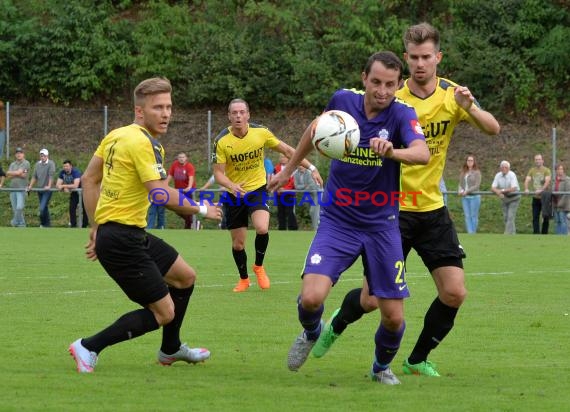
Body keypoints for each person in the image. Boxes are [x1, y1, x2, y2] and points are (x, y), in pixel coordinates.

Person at [311, 23, 501, 377]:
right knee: (371, 300)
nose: (420, 64)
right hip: (391, 212)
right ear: (404, 59)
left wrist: (470, 107)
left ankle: (416, 358)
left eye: (426, 57)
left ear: (438, 57)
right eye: (413, 57)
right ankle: (337, 322)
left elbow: (493, 128)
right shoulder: (393, 97)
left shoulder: (452, 95)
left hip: (431, 208)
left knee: (455, 292)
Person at [269, 51, 429, 384]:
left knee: (392, 317)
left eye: (389, 84)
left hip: (381, 226)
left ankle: (380, 368)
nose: (382, 91)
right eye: (376, 82)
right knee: (311, 298)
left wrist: (392, 151)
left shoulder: (402, 115)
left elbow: (422, 153)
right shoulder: (343, 101)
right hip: (338, 220)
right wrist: (287, 171)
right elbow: (315, 131)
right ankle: (313, 331)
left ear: (399, 85)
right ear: (364, 79)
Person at [68, 77, 222, 373]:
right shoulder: (143, 143)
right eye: (158, 108)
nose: (166, 114)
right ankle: (88, 346)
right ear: (140, 111)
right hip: (122, 240)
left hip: (126, 233)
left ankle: (170, 349)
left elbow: (89, 179)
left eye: (169, 107)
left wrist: (96, 225)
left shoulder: (116, 135)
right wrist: (202, 207)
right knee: (164, 313)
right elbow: (160, 193)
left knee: (185, 276)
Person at [212, 98, 321, 293]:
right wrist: (231, 185)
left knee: (262, 228)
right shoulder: (221, 141)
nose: (238, 116)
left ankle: (259, 266)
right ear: (229, 116)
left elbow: (288, 151)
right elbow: (218, 173)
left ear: (248, 114)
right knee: (238, 244)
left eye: (241, 112)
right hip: (233, 193)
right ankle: (244, 279)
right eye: (234, 113)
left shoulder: (260, 133)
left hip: (257, 189)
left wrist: (311, 167)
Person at [27, 148, 56, 227]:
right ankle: (47, 224)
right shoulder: (37, 164)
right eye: (41, 155)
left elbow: (51, 176)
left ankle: (43, 223)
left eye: (44, 155)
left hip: (47, 190)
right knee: (44, 207)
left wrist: (49, 186)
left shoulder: (51, 163)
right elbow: (34, 177)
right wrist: (30, 186)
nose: (42, 157)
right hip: (39, 189)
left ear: (47, 156)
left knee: (42, 208)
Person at [524, 154, 552, 234]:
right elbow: (527, 180)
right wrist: (526, 188)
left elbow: (547, 181)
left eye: (539, 159)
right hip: (535, 198)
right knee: (535, 217)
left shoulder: (546, 170)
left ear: (542, 160)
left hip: (544, 197)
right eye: (536, 159)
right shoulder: (532, 170)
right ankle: (536, 234)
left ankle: (544, 234)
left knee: (545, 216)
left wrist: (541, 190)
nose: (537, 161)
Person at [167, 151, 196, 229]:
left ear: (186, 158)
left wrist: (189, 187)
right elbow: (170, 175)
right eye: (180, 157)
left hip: (188, 191)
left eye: (183, 157)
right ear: (177, 158)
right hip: (178, 191)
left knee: (187, 209)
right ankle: (192, 222)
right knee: (177, 209)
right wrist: (165, 184)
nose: (181, 159)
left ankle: (188, 226)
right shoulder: (174, 165)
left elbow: (191, 177)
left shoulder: (189, 166)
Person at [56, 160, 89, 228]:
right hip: (74, 192)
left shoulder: (75, 172)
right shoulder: (62, 173)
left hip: (83, 191)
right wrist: (63, 188)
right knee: (72, 208)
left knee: (85, 209)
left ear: (71, 166)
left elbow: (75, 185)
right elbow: (58, 185)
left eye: (67, 166)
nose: (65, 168)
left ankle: (84, 226)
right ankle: (73, 225)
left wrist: (63, 186)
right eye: (64, 166)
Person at [491, 160, 521, 234]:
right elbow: (493, 187)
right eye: (502, 167)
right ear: (500, 168)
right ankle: (513, 234)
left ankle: (506, 234)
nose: (504, 169)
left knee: (510, 216)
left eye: (506, 167)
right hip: (505, 198)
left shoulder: (512, 175)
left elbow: (513, 188)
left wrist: (501, 191)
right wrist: (498, 192)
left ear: (509, 168)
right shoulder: (498, 175)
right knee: (506, 217)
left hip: (514, 197)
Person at [5, 147, 30, 227]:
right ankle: (22, 224)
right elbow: (8, 175)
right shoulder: (13, 164)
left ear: (23, 154)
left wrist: (14, 173)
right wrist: (17, 173)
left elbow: (24, 175)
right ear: (15, 155)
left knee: (19, 207)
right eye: (17, 153)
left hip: (21, 189)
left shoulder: (26, 163)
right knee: (15, 209)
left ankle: (14, 222)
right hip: (12, 189)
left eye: (20, 153)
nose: (19, 154)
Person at [458, 154, 482, 233]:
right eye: (468, 160)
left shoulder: (477, 172)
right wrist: (460, 190)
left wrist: (467, 191)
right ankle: (469, 232)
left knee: (473, 216)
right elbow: (460, 183)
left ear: (474, 162)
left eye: (471, 160)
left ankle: (473, 233)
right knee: (467, 216)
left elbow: (477, 185)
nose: (470, 162)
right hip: (465, 197)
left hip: (474, 197)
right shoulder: (463, 172)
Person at [274, 154, 298, 231]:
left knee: (289, 211)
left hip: (289, 193)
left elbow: (292, 181)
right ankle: (282, 228)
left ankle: (293, 228)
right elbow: (274, 179)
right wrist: (278, 187)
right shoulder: (276, 168)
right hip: (279, 193)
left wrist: (285, 189)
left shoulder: (292, 168)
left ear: (288, 159)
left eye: (284, 157)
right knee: (280, 211)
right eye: (281, 157)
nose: (282, 159)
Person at [293, 165, 321, 230]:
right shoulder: (296, 173)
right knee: (313, 212)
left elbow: (311, 185)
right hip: (308, 194)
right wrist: (305, 186)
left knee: (313, 211)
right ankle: (317, 227)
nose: (300, 167)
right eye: (299, 165)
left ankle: (316, 229)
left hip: (316, 193)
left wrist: (302, 187)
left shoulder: (309, 172)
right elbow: (296, 186)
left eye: (302, 165)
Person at [552, 164, 570, 235]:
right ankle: (558, 237)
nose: (560, 171)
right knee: (557, 222)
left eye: (561, 169)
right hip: (556, 205)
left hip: (563, 205)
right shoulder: (554, 180)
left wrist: (560, 203)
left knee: (563, 222)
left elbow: (567, 193)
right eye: (558, 169)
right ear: (556, 170)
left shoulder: (567, 179)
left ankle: (564, 237)